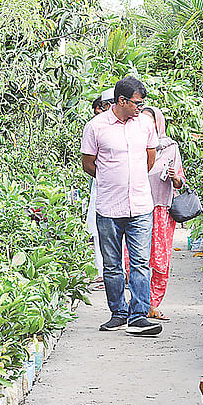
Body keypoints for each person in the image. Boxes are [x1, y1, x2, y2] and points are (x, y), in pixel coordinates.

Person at [80, 76, 162, 336]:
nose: (141, 107)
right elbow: (88, 164)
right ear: (122, 101)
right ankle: (118, 312)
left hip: (140, 205)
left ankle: (138, 316)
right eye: (137, 102)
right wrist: (111, 180)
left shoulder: (145, 125)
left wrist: (132, 178)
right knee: (112, 264)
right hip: (108, 207)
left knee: (140, 263)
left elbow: (150, 158)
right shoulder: (96, 127)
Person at [140, 106, 184, 321]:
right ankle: (139, 302)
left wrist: (174, 176)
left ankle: (154, 304)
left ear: (159, 124)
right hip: (137, 208)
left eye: (152, 121)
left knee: (159, 259)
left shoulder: (170, 148)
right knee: (134, 259)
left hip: (161, 210)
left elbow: (181, 183)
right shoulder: (134, 144)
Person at [85, 89, 114, 287]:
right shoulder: (95, 128)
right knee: (100, 231)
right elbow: (88, 162)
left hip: (124, 192)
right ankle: (104, 272)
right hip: (102, 185)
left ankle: (112, 274)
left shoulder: (134, 127)